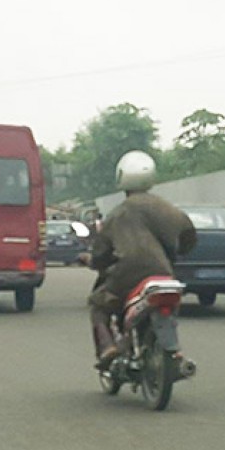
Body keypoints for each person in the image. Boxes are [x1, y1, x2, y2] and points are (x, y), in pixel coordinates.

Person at [86, 151, 197, 369]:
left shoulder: (118, 214)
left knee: (97, 304)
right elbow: (188, 240)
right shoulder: (171, 210)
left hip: (127, 275)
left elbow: (100, 254)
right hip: (164, 275)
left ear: (121, 178)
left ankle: (108, 347)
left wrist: (93, 261)